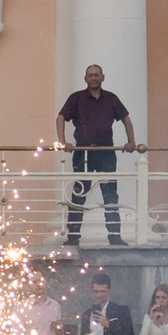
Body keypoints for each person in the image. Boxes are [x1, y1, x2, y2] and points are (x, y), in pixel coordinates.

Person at [57, 64, 138, 248]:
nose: (93, 78)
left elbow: (126, 119)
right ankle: (73, 237)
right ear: (85, 78)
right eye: (90, 75)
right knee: (78, 195)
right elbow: (60, 117)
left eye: (96, 75)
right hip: (83, 153)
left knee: (110, 195)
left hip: (105, 153)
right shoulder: (76, 98)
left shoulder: (111, 98)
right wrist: (62, 141)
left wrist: (131, 141)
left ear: (103, 77)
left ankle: (115, 237)